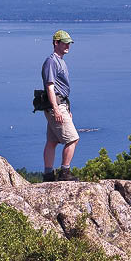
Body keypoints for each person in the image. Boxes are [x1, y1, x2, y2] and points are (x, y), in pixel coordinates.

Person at [42, 30, 79, 181]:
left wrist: (66, 108)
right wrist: (57, 109)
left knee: (52, 141)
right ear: (56, 43)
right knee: (73, 139)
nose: (68, 46)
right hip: (55, 105)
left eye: (69, 43)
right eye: (64, 43)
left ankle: (48, 174)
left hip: (59, 104)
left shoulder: (60, 61)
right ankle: (65, 172)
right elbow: (50, 87)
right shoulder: (52, 61)